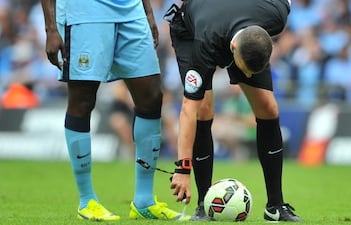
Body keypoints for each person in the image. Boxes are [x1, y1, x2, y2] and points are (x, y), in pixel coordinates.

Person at [41, 0, 190, 221]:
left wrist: (147, 12)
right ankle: (87, 200)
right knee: (82, 99)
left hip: (130, 10)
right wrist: (51, 28)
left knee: (152, 96)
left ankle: (144, 201)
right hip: (84, 12)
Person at [167, 0, 302, 222]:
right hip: (193, 32)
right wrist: (182, 169)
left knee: (268, 107)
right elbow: (187, 110)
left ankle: (275, 206)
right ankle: (203, 205)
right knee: (203, 108)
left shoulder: (276, 16)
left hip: (243, 26)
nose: (247, 77)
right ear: (233, 49)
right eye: (244, 70)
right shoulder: (205, 42)